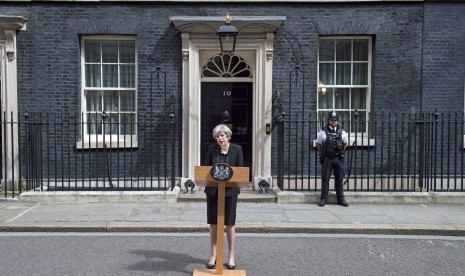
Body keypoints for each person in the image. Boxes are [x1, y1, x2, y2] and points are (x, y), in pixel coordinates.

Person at [203, 124, 244, 270]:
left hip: (230, 192)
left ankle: (231, 256)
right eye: (217, 136)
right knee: (213, 224)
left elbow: (240, 172)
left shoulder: (237, 149)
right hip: (213, 192)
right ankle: (213, 255)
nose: (220, 138)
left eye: (222, 135)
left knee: (230, 224)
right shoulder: (211, 149)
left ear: (228, 135)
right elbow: (205, 170)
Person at [315, 111, 349, 207]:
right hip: (327, 159)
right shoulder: (323, 131)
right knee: (325, 179)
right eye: (332, 120)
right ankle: (323, 199)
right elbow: (318, 143)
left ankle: (341, 199)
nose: (333, 122)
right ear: (328, 121)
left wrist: (342, 152)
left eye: (335, 120)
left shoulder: (342, 131)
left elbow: (346, 143)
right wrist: (322, 152)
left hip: (338, 158)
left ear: (337, 121)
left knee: (339, 179)